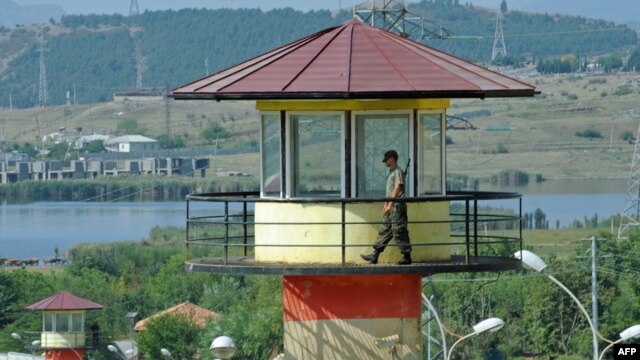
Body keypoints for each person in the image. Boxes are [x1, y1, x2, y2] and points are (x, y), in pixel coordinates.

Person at [361, 150, 412, 265]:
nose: (385, 162)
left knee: (399, 231)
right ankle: (375, 255)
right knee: (384, 230)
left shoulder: (397, 172)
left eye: (386, 160)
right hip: (391, 206)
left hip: (397, 206)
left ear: (392, 158)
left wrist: (389, 203)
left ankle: (407, 257)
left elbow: (397, 188)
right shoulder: (391, 172)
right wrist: (386, 203)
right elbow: (390, 191)